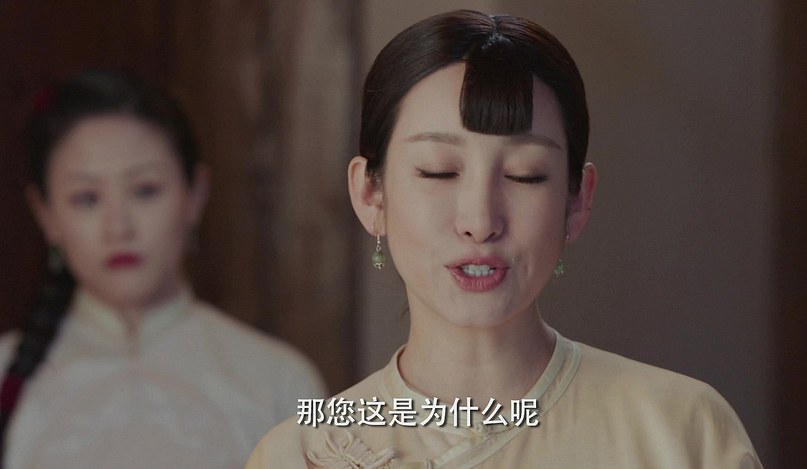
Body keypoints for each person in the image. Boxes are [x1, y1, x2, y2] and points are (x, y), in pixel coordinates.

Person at [247, 9, 762, 469]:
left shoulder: (682, 430)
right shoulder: (301, 454)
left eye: (525, 175)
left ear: (577, 201)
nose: (480, 220)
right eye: (438, 171)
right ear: (369, 194)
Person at [0, 69, 326, 469]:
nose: (118, 227)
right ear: (45, 214)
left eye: (145, 190)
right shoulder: (5, 372)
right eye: (86, 198)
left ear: (195, 195)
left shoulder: (277, 381)